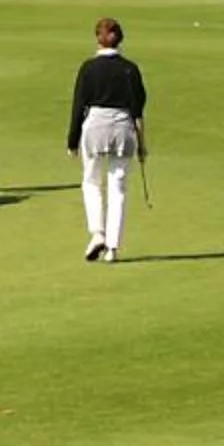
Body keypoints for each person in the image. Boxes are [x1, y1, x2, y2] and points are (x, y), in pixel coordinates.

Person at [67, 16, 148, 263]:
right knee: (118, 186)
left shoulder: (88, 68)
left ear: (97, 39)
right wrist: (142, 145)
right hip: (123, 128)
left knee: (91, 182)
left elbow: (78, 105)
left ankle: (97, 233)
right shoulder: (130, 69)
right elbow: (138, 110)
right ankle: (112, 247)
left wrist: (72, 139)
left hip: (94, 128)